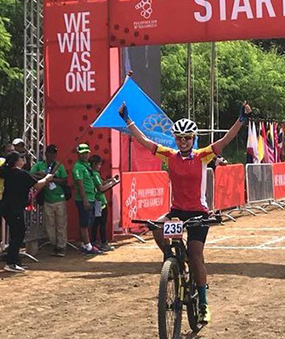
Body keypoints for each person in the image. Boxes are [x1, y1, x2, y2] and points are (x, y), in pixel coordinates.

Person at [118, 101, 252, 325]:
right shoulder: (169, 155)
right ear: (175, 138)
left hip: (198, 213)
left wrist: (241, 120)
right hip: (177, 211)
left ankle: (203, 303)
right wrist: (128, 120)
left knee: (196, 255)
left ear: (193, 138)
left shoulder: (203, 156)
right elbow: (145, 141)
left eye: (187, 138)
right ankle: (172, 261)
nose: (183, 141)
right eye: (179, 138)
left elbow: (225, 140)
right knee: (157, 228)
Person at [0, 151, 53, 272]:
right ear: (16, 162)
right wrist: (47, 178)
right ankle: (11, 262)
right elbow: (37, 185)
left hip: (8, 207)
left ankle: (15, 260)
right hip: (14, 208)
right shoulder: (20, 173)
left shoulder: (9, 173)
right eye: (21, 159)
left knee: (16, 233)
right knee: (18, 233)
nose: (23, 161)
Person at [31, 144, 69, 257]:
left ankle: (61, 246)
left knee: (61, 224)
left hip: (59, 198)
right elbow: (31, 175)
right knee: (49, 225)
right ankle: (54, 243)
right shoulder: (39, 165)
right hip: (47, 199)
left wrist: (53, 179)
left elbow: (65, 181)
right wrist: (43, 177)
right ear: (46, 154)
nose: (52, 155)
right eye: (50, 153)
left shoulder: (59, 166)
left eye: (54, 153)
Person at [72, 143, 102, 255]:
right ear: (78, 154)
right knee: (84, 223)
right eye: (82, 153)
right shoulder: (78, 167)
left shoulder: (87, 166)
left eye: (86, 153)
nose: (85, 155)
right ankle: (88, 247)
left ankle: (85, 244)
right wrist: (84, 200)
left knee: (88, 222)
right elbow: (80, 184)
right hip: (84, 199)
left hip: (91, 197)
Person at [88, 155, 120, 252]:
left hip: (98, 202)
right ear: (94, 164)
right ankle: (103, 243)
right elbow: (101, 188)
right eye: (99, 164)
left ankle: (94, 242)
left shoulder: (93, 173)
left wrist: (110, 180)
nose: (100, 166)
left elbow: (101, 183)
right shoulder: (94, 174)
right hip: (99, 203)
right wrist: (113, 183)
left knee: (96, 223)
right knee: (101, 223)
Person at [0, 142, 15, 250]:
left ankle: (5, 245)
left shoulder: (7, 163)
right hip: (0, 197)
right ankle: (2, 246)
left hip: (5, 198)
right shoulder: (2, 162)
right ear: (3, 153)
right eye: (9, 151)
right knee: (2, 224)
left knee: (7, 224)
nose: (11, 153)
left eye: (13, 151)